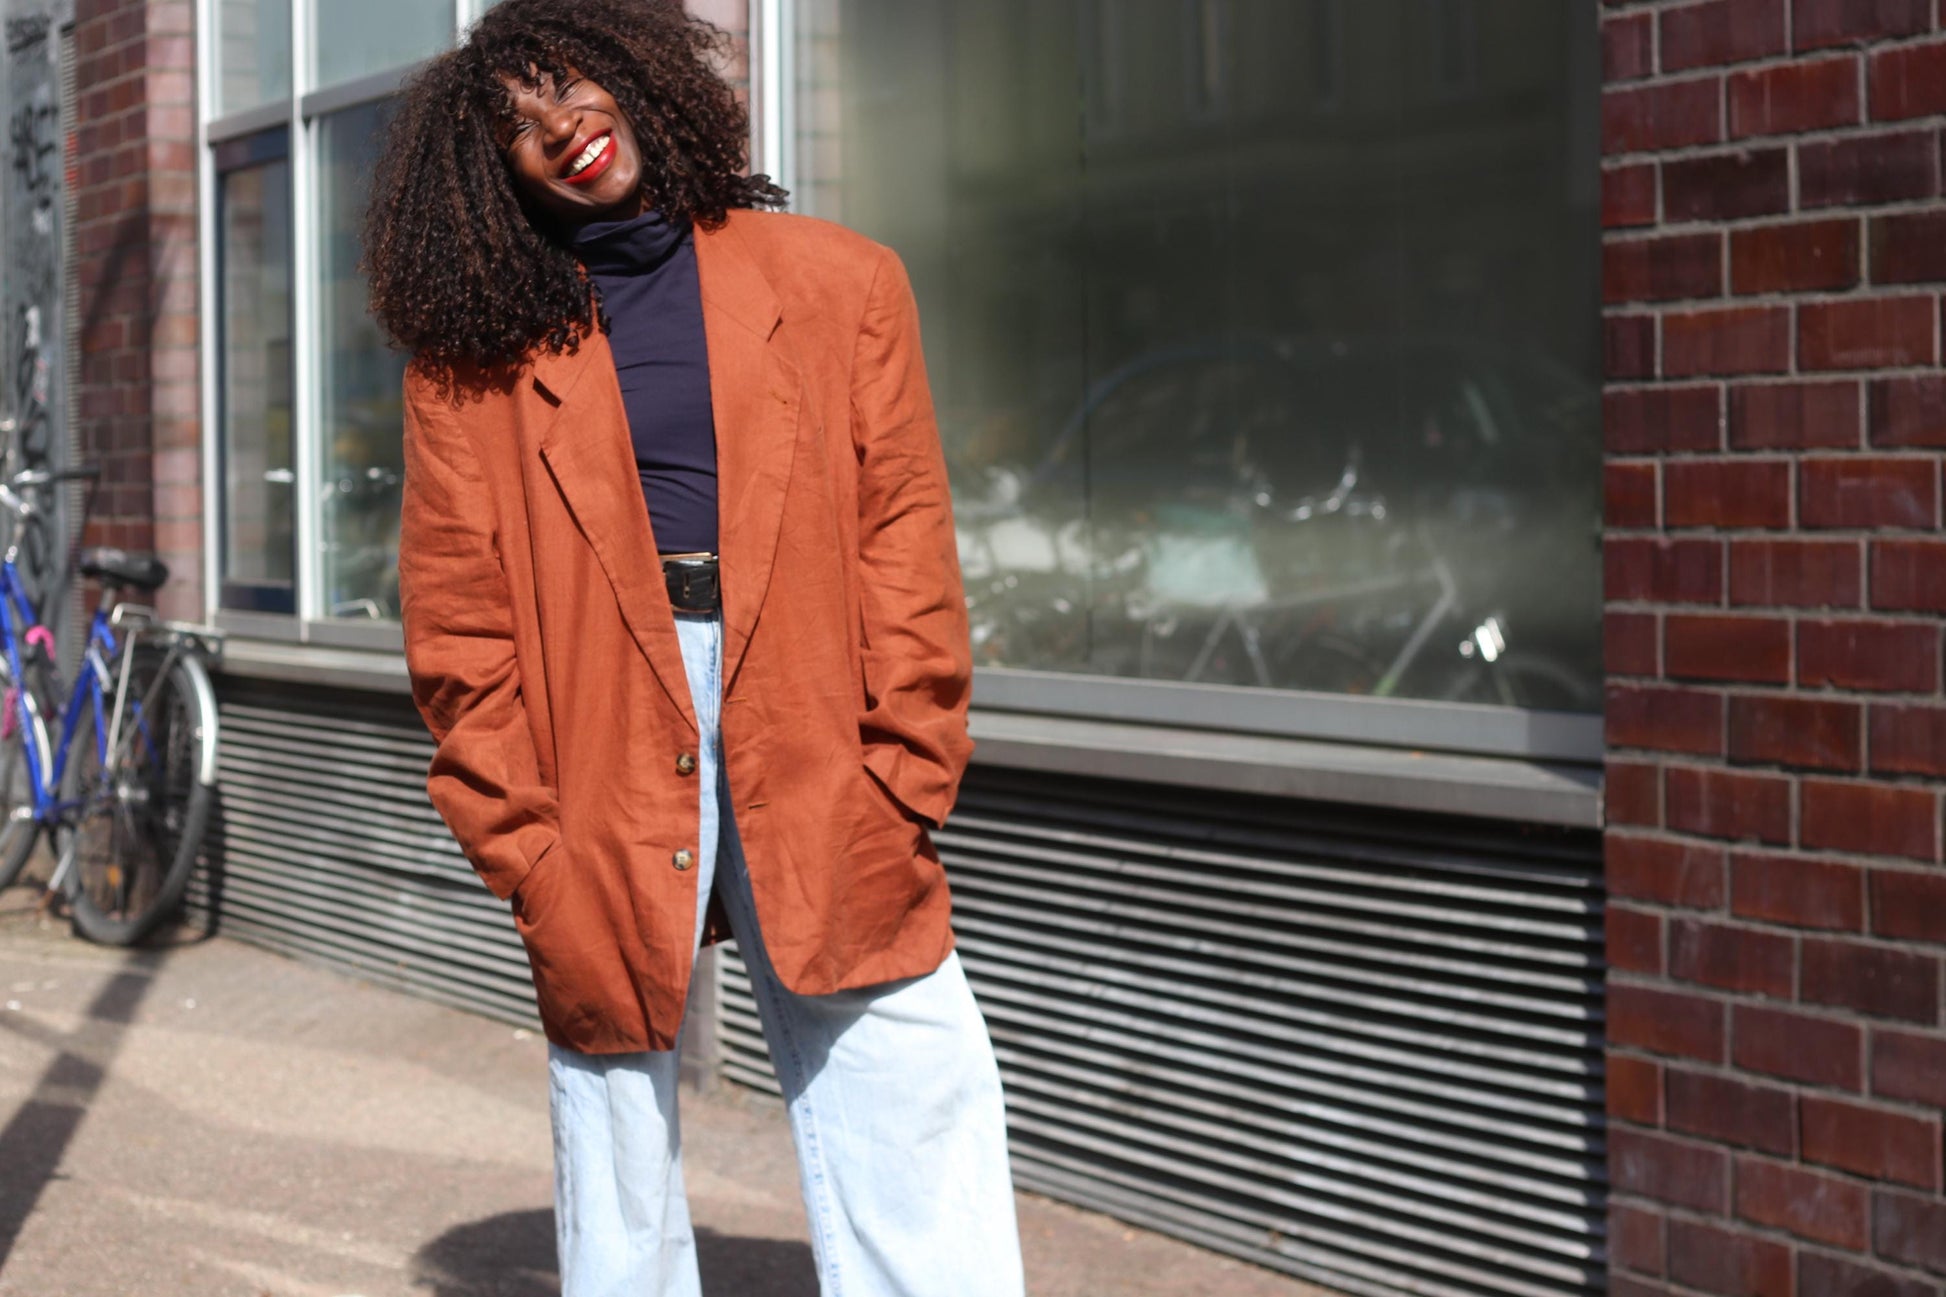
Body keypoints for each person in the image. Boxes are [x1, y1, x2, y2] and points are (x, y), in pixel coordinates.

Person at [362, 2, 1025, 1293]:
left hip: (818, 697)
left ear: (635, 75)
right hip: (597, 712)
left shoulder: (839, 279)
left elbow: (905, 538)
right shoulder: (472, 354)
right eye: (516, 127)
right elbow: (457, 614)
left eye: (568, 88)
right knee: (611, 1077)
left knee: (903, 1043)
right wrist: (521, 836)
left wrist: (910, 763)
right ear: (490, 168)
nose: (560, 131)